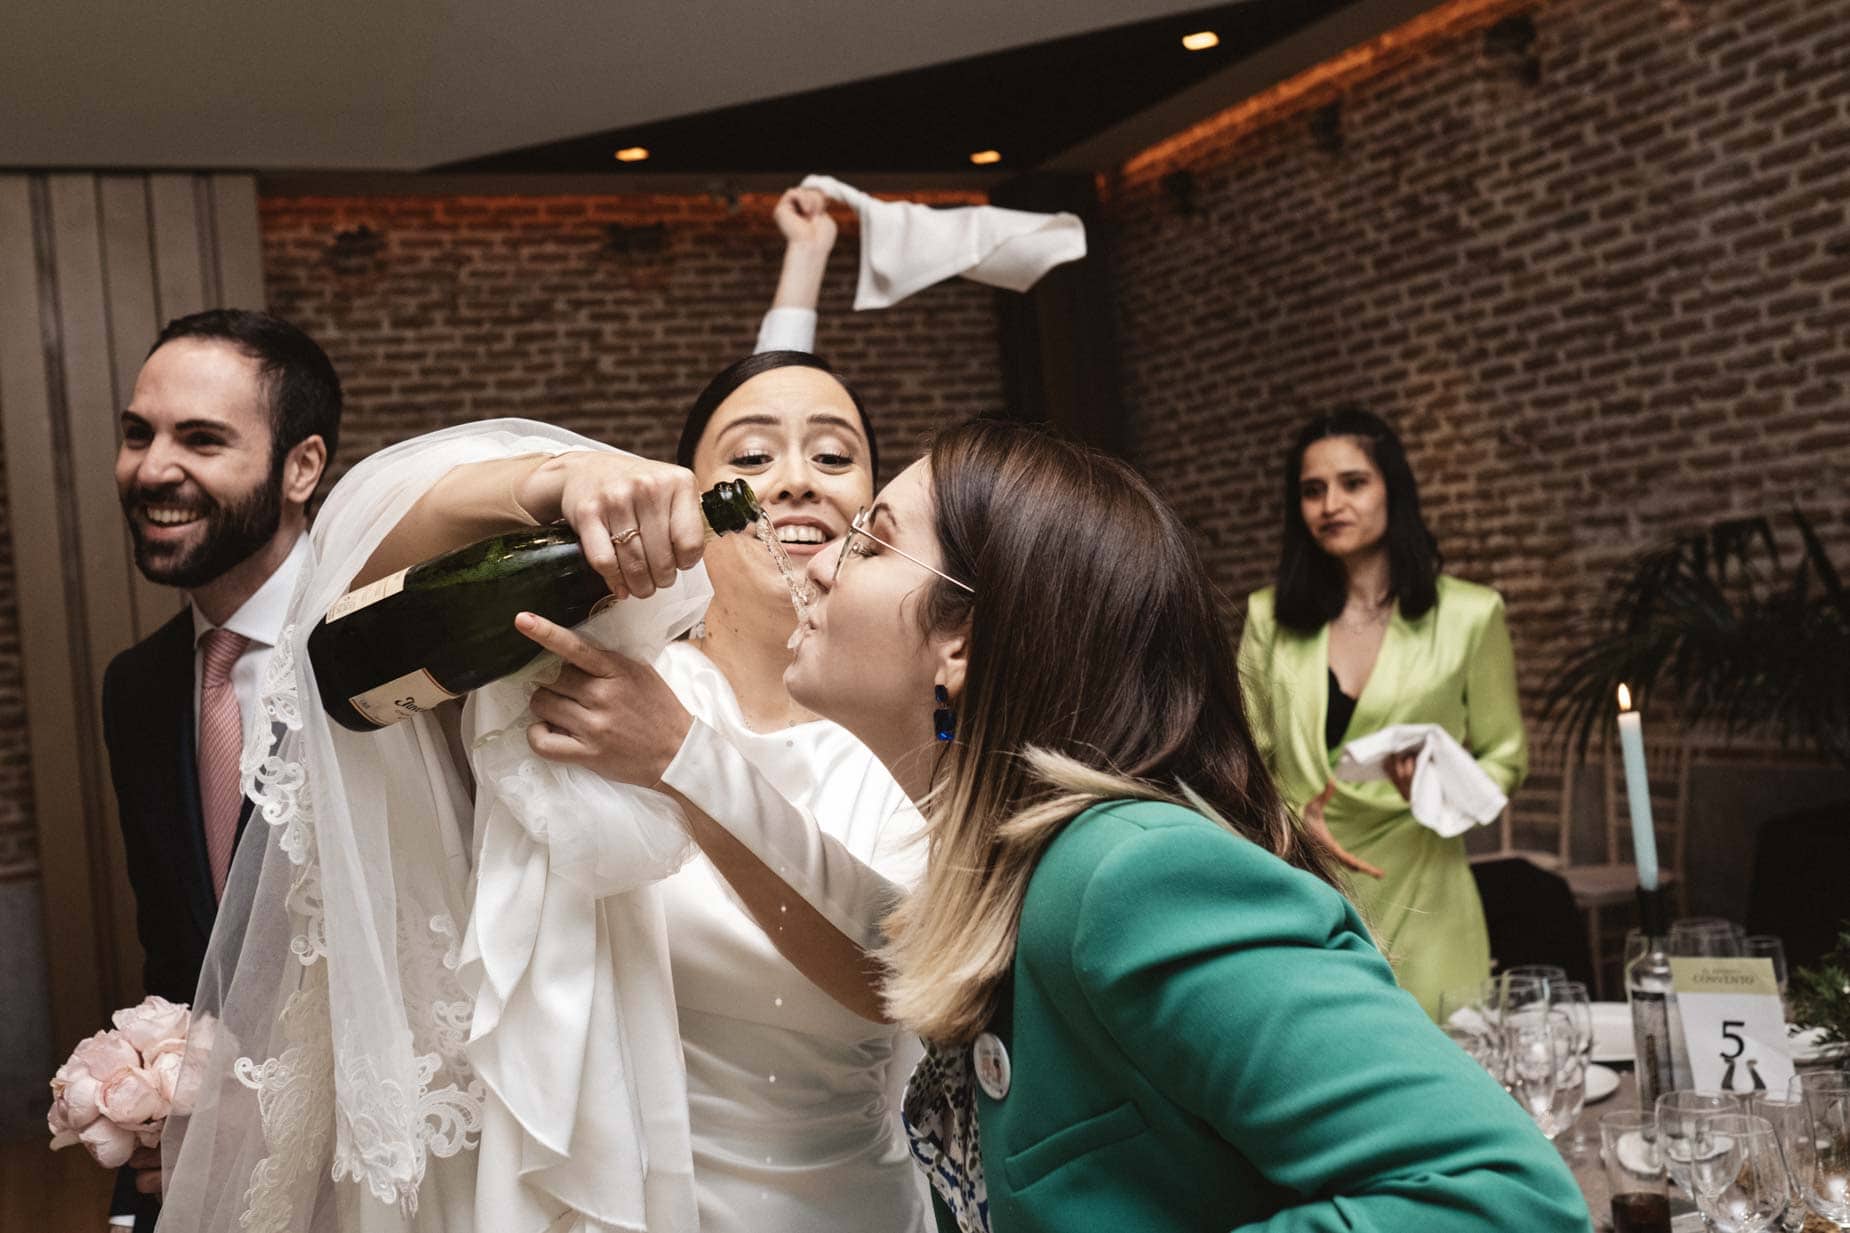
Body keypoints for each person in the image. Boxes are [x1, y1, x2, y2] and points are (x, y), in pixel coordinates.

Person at [514, 416, 1590, 1231]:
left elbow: (1497, 1197)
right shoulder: (1003, 868)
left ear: (963, 643)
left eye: (872, 540)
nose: (823, 554)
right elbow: (874, 934)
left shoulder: (1132, 874)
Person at [158, 188, 930, 1233]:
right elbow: (348, 570)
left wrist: (682, 759)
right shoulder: (583, 674)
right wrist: (548, 479)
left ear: (871, 511)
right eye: (748, 458)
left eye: (834, 457)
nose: (792, 481)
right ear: (681, 495)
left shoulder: (903, 723)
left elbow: (901, 975)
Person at [101, 309, 340, 1231]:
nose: (152, 468)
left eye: (201, 439)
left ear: (301, 468)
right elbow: (180, 952)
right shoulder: (138, 685)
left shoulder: (376, 648)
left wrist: (277, 1119)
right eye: (138, 434)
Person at [1236, 407, 1528, 1019]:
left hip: (1427, 886)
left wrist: (1441, 786)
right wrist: (1287, 826)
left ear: (1393, 488)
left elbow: (1505, 755)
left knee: (1442, 1056)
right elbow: (1241, 758)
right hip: (1310, 890)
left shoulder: (1471, 615)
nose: (1330, 505)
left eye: (1353, 483)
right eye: (1312, 490)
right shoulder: (1270, 619)